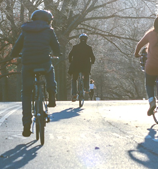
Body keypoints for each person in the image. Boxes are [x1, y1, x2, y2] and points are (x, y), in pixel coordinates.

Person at [9, 9, 61, 137]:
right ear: (48, 20)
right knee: (50, 70)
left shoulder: (26, 30)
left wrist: (15, 55)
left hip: (28, 64)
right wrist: (57, 54)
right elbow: (56, 48)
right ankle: (52, 94)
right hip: (43, 62)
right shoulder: (49, 31)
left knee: (26, 93)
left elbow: (17, 47)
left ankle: (26, 125)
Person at [68, 33, 95, 101]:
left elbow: (70, 55)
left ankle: (74, 93)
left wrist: (71, 61)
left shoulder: (75, 47)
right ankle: (87, 88)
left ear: (80, 40)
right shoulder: (89, 48)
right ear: (86, 40)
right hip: (85, 66)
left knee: (74, 79)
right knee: (87, 75)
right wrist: (92, 62)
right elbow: (93, 57)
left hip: (76, 66)